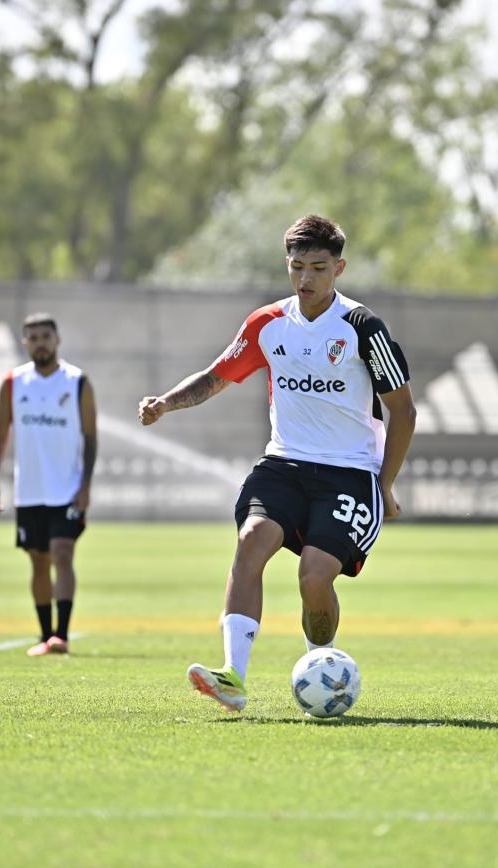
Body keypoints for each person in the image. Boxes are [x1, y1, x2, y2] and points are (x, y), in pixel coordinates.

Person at [138, 214, 416, 713]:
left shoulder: (362, 328)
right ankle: (233, 677)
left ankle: (321, 663)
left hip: (348, 474)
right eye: (296, 267)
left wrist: (385, 483)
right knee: (251, 541)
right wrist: (166, 403)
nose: (305, 279)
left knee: (314, 578)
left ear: (339, 268)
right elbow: (216, 376)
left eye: (317, 267)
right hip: (283, 464)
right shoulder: (267, 323)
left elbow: (403, 408)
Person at [0, 313, 97, 656]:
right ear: (25, 343)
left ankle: (60, 636)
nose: (40, 343)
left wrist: (85, 485)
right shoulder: (13, 382)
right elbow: (0, 434)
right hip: (29, 490)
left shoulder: (76, 381)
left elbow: (90, 437)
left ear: (57, 339)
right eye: (33, 338)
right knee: (38, 559)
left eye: (45, 336)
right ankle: (44, 634)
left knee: (62, 553)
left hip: (66, 488)